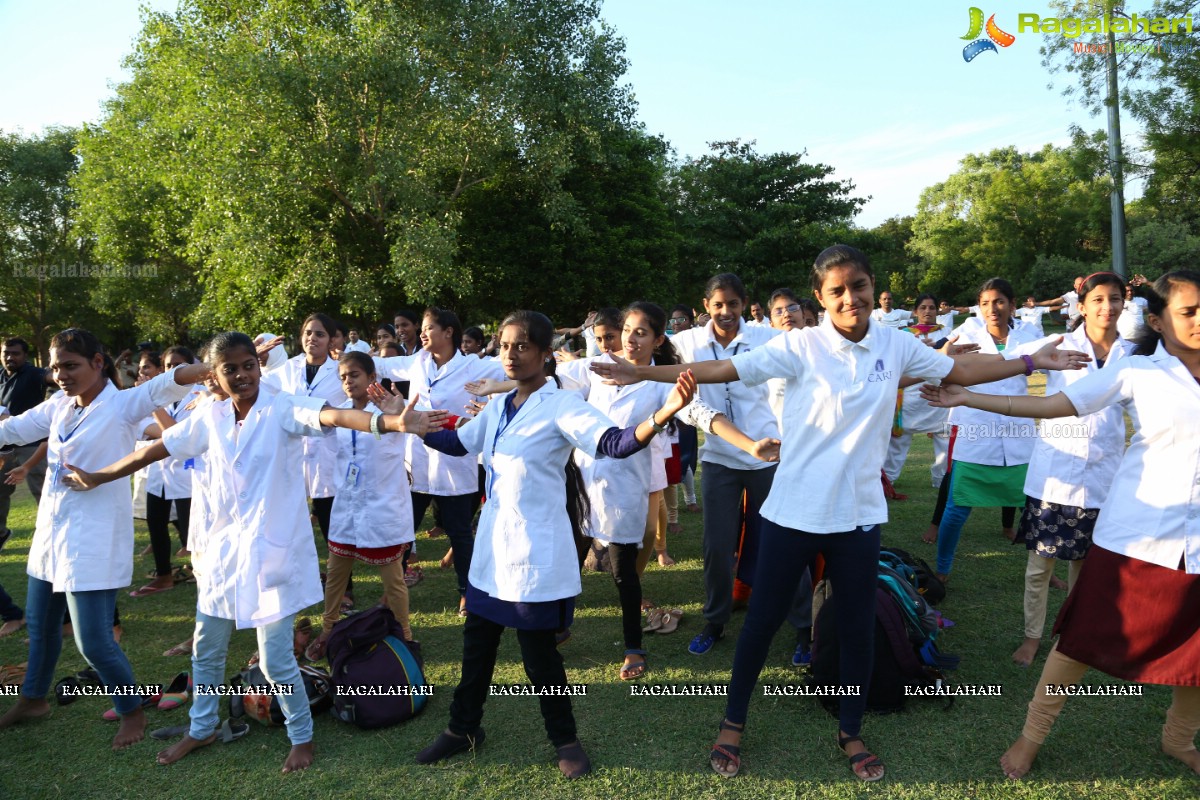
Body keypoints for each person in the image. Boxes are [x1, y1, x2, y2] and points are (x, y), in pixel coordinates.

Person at [591, 244, 1087, 782]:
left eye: (859, 286)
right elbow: (719, 367)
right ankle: (733, 723)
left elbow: (959, 367)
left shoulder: (895, 345)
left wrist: (1034, 360)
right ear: (821, 298)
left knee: (854, 628)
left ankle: (851, 728)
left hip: (859, 518)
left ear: (873, 287)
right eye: (837, 291)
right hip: (791, 513)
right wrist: (643, 374)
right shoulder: (801, 346)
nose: (850, 298)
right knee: (760, 625)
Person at [59, 331, 444, 772]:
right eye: (231, 368)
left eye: (249, 365)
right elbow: (157, 449)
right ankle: (200, 728)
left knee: (277, 659)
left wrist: (389, 423)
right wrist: (100, 476)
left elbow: (334, 415)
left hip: (271, 557)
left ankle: (302, 737)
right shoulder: (211, 418)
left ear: (259, 367)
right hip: (223, 555)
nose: (242, 375)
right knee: (206, 649)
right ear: (215, 376)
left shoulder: (282, 407)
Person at [920, 270, 1200, 780]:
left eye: (1117, 300)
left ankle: (1179, 739)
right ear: (1157, 321)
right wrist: (968, 398)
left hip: (1188, 536)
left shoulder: (1135, 359)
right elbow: (1051, 404)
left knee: (1198, 649)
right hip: (1137, 533)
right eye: (1189, 311)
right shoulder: (1140, 372)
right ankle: (1030, 737)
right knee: (1079, 640)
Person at [411, 310, 697, 779]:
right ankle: (463, 729)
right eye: (504, 345)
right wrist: (410, 426)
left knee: (539, 655)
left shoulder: (563, 405)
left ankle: (565, 739)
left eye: (522, 346)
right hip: (491, 552)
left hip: (533, 554)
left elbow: (616, 444)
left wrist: (664, 412)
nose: (511, 353)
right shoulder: (500, 407)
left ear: (546, 355)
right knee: (476, 646)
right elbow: (459, 443)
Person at [0, 328, 208, 750]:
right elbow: (13, 429)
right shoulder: (58, 406)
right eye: (56, 366)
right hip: (51, 536)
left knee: (92, 639)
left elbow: (170, 380)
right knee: (40, 628)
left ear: (98, 363)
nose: (61, 375)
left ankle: (130, 710)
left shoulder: (122, 404)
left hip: (92, 540)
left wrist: (218, 366)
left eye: (71, 366)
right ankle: (33, 699)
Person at [1005, 272, 1134, 667]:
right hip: (1054, 471)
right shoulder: (1059, 342)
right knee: (1039, 566)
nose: (1107, 307)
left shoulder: (1134, 353)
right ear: (1081, 306)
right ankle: (1031, 637)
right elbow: (1009, 359)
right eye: (1097, 299)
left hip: (1103, 474)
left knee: (1085, 565)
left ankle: (1072, 638)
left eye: (1114, 299)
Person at [647, 274, 780, 656]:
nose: (726, 312)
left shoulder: (765, 339)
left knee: (776, 542)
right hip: (719, 460)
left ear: (744, 304)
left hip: (767, 458)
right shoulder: (686, 342)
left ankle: (798, 624)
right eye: (718, 305)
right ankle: (716, 620)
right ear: (705, 306)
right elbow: (647, 362)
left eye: (733, 304)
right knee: (717, 547)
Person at [306, 351, 417, 659]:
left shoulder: (391, 412)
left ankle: (406, 636)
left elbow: (408, 426)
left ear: (372, 378)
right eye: (343, 377)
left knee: (393, 579)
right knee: (335, 574)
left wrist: (399, 414)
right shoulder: (336, 414)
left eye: (354, 375)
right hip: (347, 506)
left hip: (381, 507)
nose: (348, 381)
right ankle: (328, 630)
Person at [933, 278, 1040, 574]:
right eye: (985, 303)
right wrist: (946, 355)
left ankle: (1045, 571)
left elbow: (1047, 363)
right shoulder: (965, 331)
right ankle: (942, 571)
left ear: (1012, 305)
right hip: (976, 430)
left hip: (1019, 432)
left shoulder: (1030, 334)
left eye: (999, 302)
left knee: (1033, 510)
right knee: (956, 510)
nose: (992, 309)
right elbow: (941, 361)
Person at [261, 313, 350, 604]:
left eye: (320, 334)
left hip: (328, 455)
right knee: (291, 523)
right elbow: (258, 387)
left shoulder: (340, 371)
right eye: (308, 333)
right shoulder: (288, 369)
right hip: (294, 457)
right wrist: (256, 357)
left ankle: (344, 590)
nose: (312, 339)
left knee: (331, 528)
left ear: (332, 340)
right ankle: (297, 583)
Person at [883, 294, 952, 489]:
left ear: (937, 310)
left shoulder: (947, 333)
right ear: (915, 312)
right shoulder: (903, 334)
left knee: (944, 441)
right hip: (908, 397)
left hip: (938, 397)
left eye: (931, 307)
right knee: (897, 443)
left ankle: (941, 481)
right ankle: (888, 480)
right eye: (923, 308)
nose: (927, 311)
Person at [0, 338, 52, 541]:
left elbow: (51, 377)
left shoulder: (34, 374)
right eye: (6, 353)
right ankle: (1, 534)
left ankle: (52, 534)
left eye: (15, 353)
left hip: (33, 445)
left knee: (43, 490)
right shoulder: (1, 376)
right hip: (5, 446)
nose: (10, 357)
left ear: (25, 356)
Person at [1117, 274, 1150, 340]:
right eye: (1127, 291)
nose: (1130, 293)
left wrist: (1148, 283)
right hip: (1123, 338)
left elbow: (1155, 303)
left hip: (1140, 337)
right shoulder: (1118, 301)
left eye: (1131, 290)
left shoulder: (1140, 300)